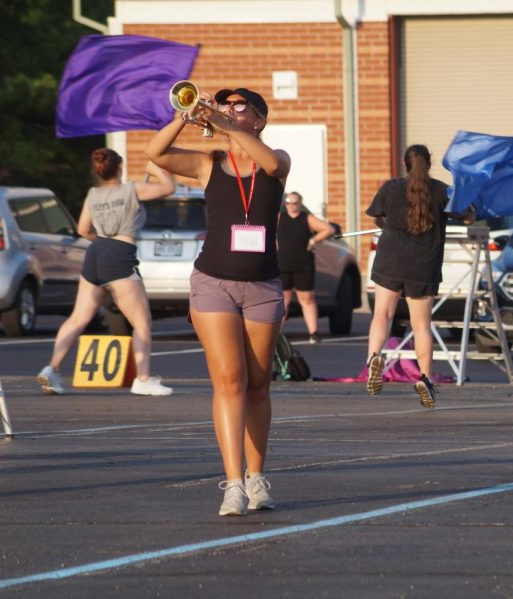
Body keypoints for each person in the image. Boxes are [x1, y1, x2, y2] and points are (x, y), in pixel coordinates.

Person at [145, 86, 291, 517]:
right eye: (224, 104)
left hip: (262, 286)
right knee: (229, 380)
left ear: (259, 119)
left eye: (239, 105)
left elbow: (267, 161)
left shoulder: (275, 161)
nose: (228, 109)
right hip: (213, 283)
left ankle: (256, 475)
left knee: (258, 385)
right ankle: (232, 484)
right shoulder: (209, 164)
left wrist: (226, 126)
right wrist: (185, 116)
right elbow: (156, 152)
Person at [36, 150, 176, 397]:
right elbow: (168, 188)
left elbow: (82, 229)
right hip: (120, 254)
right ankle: (142, 379)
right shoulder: (132, 189)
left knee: (78, 318)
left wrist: (101, 240)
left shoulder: (93, 194)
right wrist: (156, 171)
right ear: (119, 167)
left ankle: (52, 368)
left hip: (96, 252)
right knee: (141, 322)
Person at [364, 144, 470, 409]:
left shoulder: (390, 188)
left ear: (405, 164)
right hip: (423, 265)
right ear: (429, 164)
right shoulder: (442, 191)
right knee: (421, 324)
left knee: (382, 315)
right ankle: (424, 378)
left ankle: (374, 357)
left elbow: (376, 218)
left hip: (390, 259)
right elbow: (469, 217)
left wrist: (387, 225)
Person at [277, 191, 336, 344]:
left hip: (303, 264)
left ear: (300, 204)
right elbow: (266, 231)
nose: (292, 206)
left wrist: (313, 240)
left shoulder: (307, 219)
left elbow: (329, 229)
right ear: (285, 204)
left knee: (307, 298)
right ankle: (276, 334)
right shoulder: (279, 218)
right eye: (289, 202)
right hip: (282, 264)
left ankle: (314, 333)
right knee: (283, 299)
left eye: (295, 203)